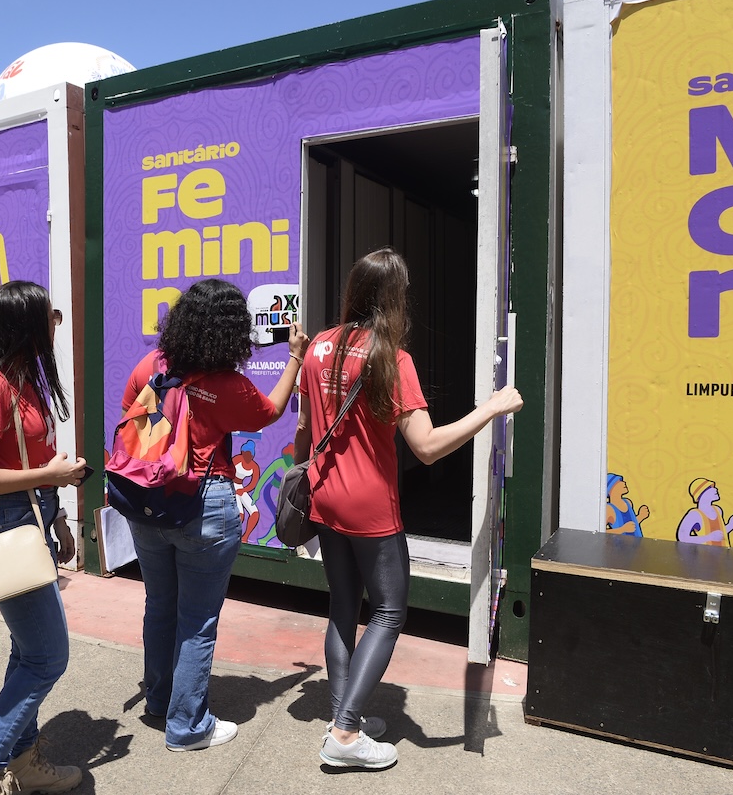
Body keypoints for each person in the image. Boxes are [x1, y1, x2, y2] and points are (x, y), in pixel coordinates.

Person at [294, 247, 522, 771]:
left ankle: (343, 717)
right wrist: (491, 407)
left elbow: (305, 427)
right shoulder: (391, 359)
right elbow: (427, 446)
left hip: (325, 494)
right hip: (370, 506)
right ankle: (345, 734)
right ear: (394, 299)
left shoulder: (319, 347)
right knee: (389, 611)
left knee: (342, 607)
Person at [120, 278, 309, 752]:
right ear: (231, 332)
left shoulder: (151, 365)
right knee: (198, 620)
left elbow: (128, 416)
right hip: (204, 506)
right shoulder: (227, 385)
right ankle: (187, 726)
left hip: (147, 504)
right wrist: (294, 357)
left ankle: (160, 701)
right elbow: (270, 412)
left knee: (159, 606)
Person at [0, 281, 86, 795]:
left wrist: (59, 516)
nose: (56, 322)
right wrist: (50, 478)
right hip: (3, 522)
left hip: (29, 518)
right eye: (49, 315)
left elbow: (34, 459)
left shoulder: (23, 379)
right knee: (48, 657)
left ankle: (24, 761)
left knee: (28, 651)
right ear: (25, 324)